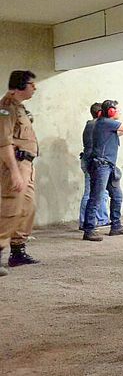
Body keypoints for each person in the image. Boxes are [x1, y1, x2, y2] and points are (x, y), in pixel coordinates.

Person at [0, 70, 41, 275]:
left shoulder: (20, 108)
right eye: (32, 84)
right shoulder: (6, 107)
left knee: (27, 207)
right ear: (20, 86)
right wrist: (15, 172)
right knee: (10, 207)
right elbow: (4, 142)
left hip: (27, 164)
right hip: (15, 164)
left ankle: (17, 251)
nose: (35, 87)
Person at [81, 99, 123, 241]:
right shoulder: (106, 122)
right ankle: (89, 230)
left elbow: (122, 131)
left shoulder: (104, 124)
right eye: (117, 109)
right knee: (96, 197)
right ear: (111, 111)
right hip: (102, 166)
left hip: (108, 166)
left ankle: (116, 226)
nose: (118, 111)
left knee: (117, 196)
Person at [79, 102, 110, 230]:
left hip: (90, 160)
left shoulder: (91, 124)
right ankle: (84, 222)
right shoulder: (96, 125)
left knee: (101, 192)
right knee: (90, 193)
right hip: (92, 162)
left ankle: (102, 219)